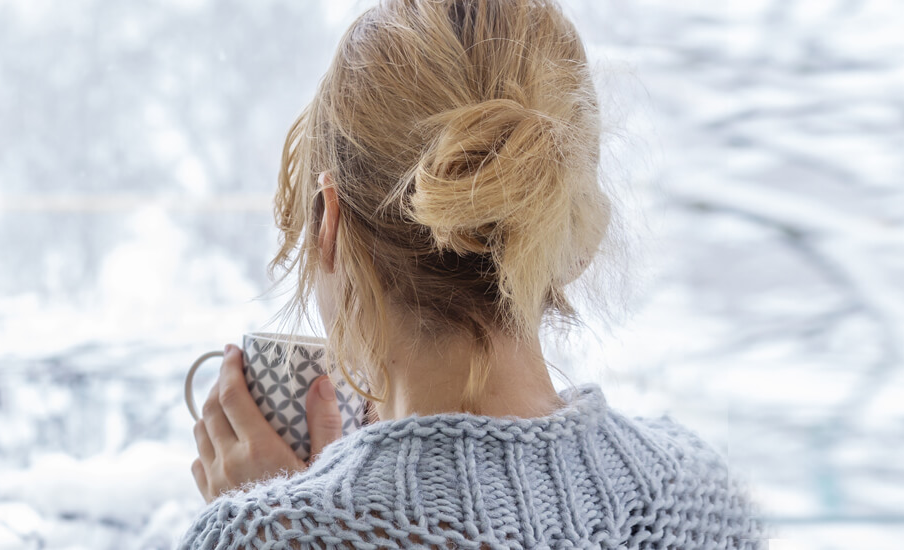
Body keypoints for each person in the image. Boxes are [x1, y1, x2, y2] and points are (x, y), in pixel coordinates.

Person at [183, 0, 766, 547]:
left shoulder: (261, 533)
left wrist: (275, 518)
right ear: (568, 229)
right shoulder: (704, 498)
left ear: (330, 222)